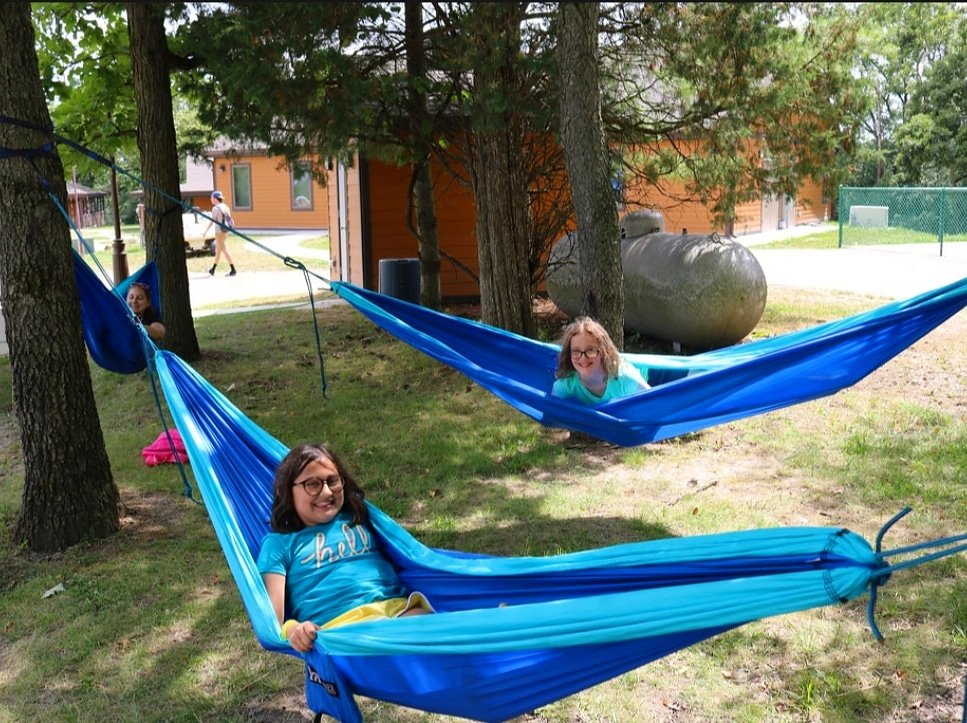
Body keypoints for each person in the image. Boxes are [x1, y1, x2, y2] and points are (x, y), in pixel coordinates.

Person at [257, 443, 433, 653]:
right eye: (312, 484)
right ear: (286, 490)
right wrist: (295, 629)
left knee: (440, 631)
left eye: (333, 481)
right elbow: (272, 621)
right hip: (339, 632)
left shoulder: (359, 516)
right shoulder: (279, 544)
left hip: (397, 613)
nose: (326, 492)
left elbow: (408, 554)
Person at [551, 316, 649, 405]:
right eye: (576, 351)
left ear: (603, 351)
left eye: (590, 350)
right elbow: (551, 411)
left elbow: (654, 404)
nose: (583, 358)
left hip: (646, 374)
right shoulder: (568, 383)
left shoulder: (625, 379)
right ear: (569, 354)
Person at [203, 190, 237, 277]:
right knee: (218, 250)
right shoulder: (226, 207)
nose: (211, 199)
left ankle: (233, 269)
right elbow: (229, 219)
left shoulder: (215, 208)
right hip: (226, 231)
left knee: (224, 250)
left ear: (215, 198)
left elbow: (212, 222)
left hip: (219, 233)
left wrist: (205, 232)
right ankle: (213, 270)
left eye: (211, 198)